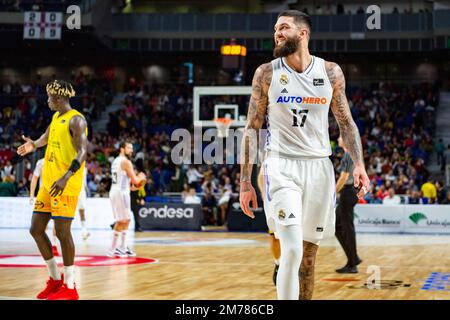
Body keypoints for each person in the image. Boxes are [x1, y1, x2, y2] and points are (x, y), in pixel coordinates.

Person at [239, 10, 369, 300]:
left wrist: (359, 164)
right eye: (275, 29)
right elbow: (252, 128)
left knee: (308, 260)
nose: (277, 33)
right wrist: (245, 181)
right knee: (293, 249)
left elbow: (346, 123)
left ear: (303, 33)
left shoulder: (330, 72)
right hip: (281, 165)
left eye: (284, 27)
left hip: (319, 168)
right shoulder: (267, 73)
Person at [17, 80, 88, 300]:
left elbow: (83, 152)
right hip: (48, 184)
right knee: (36, 229)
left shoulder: (76, 120)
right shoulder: (56, 117)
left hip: (65, 184)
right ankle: (55, 280)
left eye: (49, 97)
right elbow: (45, 138)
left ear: (58, 98)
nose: (47, 101)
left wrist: (66, 177)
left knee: (63, 232)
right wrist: (33, 145)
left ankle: (70, 286)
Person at [107, 141, 146, 258]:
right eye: (129, 148)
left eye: (132, 148)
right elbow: (135, 181)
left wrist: (133, 187)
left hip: (118, 190)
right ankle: (113, 249)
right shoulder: (126, 162)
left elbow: (127, 182)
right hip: (120, 193)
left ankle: (122, 247)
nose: (131, 150)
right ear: (122, 149)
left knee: (126, 219)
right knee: (122, 220)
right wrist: (142, 178)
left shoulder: (116, 161)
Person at [334, 136, 362, 273]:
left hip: (347, 193)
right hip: (350, 193)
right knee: (338, 226)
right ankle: (353, 259)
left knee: (347, 228)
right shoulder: (352, 154)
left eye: (341, 136)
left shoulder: (347, 155)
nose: (339, 138)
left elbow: (344, 177)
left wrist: (333, 192)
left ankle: (353, 263)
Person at [29, 158, 59, 256]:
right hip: (44, 195)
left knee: (56, 221)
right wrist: (31, 195)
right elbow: (34, 178)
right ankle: (45, 245)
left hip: (57, 195)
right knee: (41, 223)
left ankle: (54, 244)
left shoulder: (60, 160)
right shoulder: (41, 162)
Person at [77, 167, 90, 240]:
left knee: (82, 211)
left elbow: (84, 182)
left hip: (81, 191)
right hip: (71, 190)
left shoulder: (84, 168)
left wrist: (84, 190)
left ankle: (84, 230)